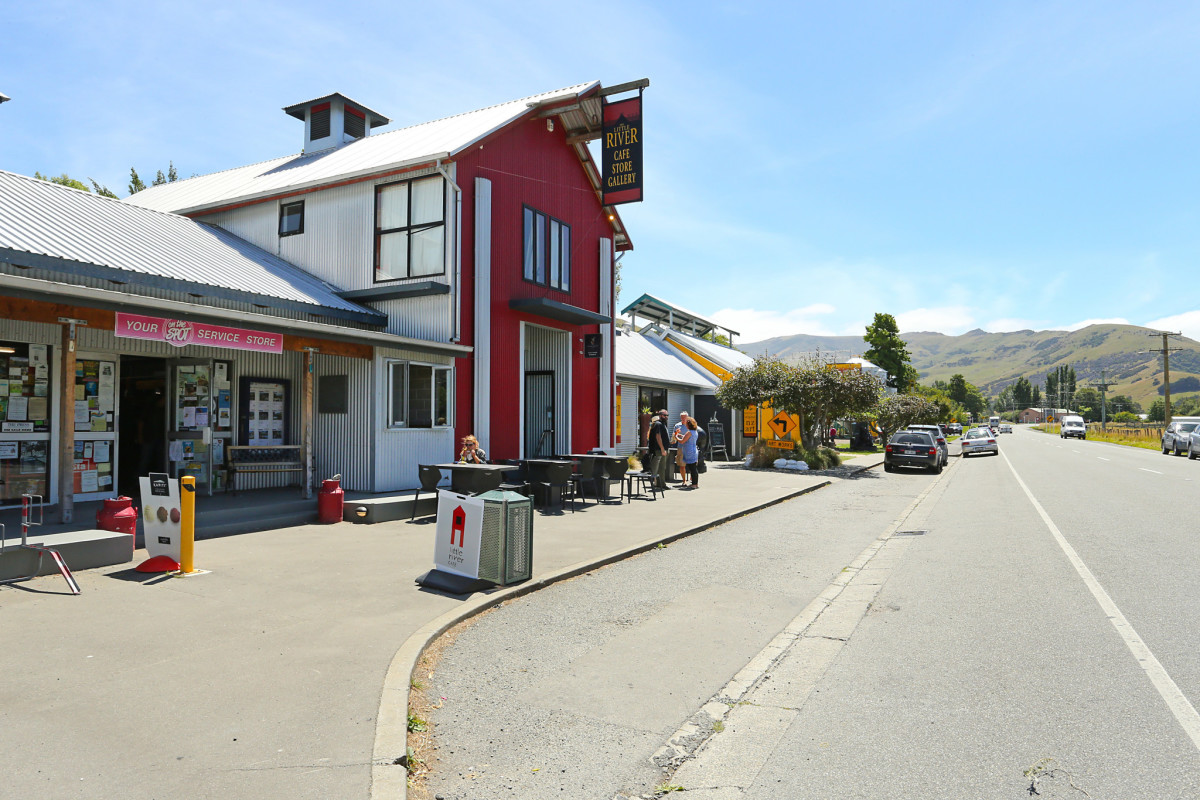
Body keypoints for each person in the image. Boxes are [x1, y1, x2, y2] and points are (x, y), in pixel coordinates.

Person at [647, 409, 671, 489]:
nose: (666, 417)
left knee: (661, 467)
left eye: (667, 415)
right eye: (665, 415)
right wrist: (662, 449)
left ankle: (658, 483)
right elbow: (658, 436)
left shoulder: (662, 424)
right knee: (661, 467)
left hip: (663, 448)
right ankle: (662, 484)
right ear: (660, 415)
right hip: (659, 450)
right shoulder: (658, 424)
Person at [676, 417, 703, 488]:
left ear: (689, 425)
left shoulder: (689, 432)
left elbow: (682, 441)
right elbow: (687, 438)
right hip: (693, 450)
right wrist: (681, 435)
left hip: (689, 451)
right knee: (693, 468)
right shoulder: (694, 432)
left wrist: (676, 437)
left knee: (692, 468)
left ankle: (694, 484)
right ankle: (695, 483)